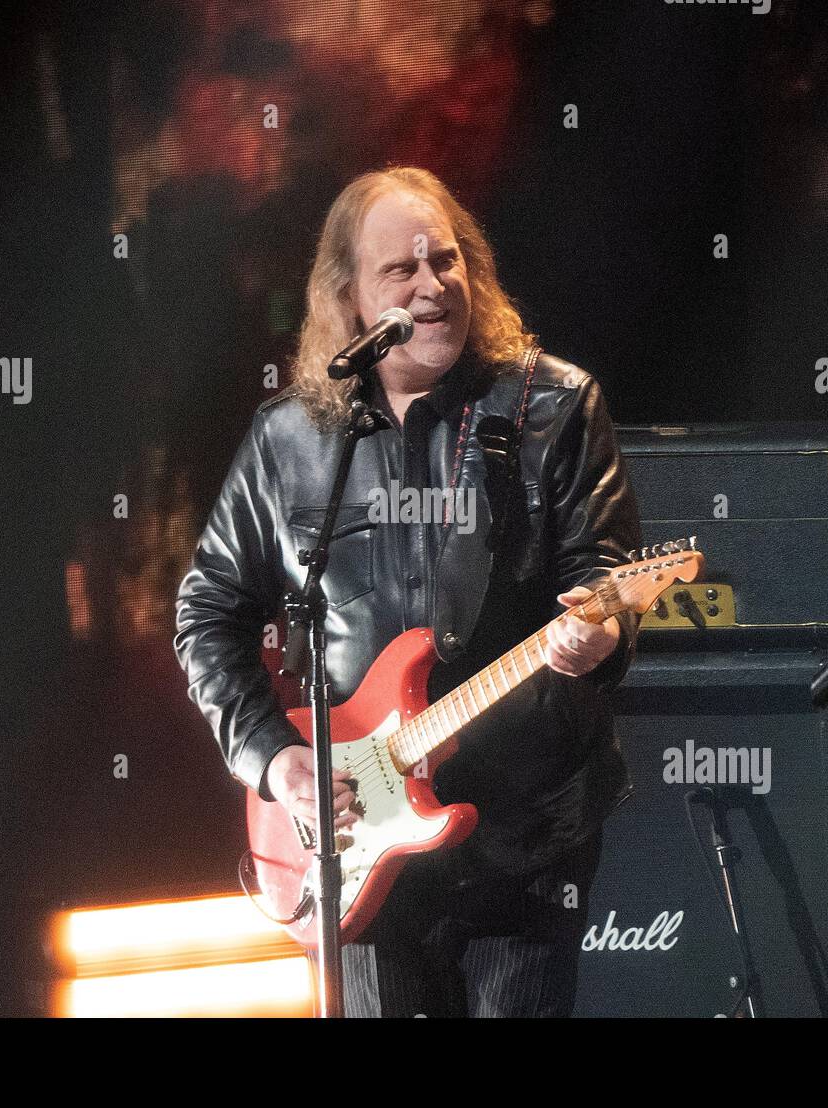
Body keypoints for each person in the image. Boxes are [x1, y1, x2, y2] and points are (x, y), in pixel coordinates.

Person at [174, 165, 643, 1017]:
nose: (435, 286)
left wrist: (600, 638)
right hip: (354, 843)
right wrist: (277, 761)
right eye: (403, 271)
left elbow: (603, 579)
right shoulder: (292, 441)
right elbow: (207, 613)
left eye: (450, 261)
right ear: (351, 299)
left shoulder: (554, 408)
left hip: (525, 833)